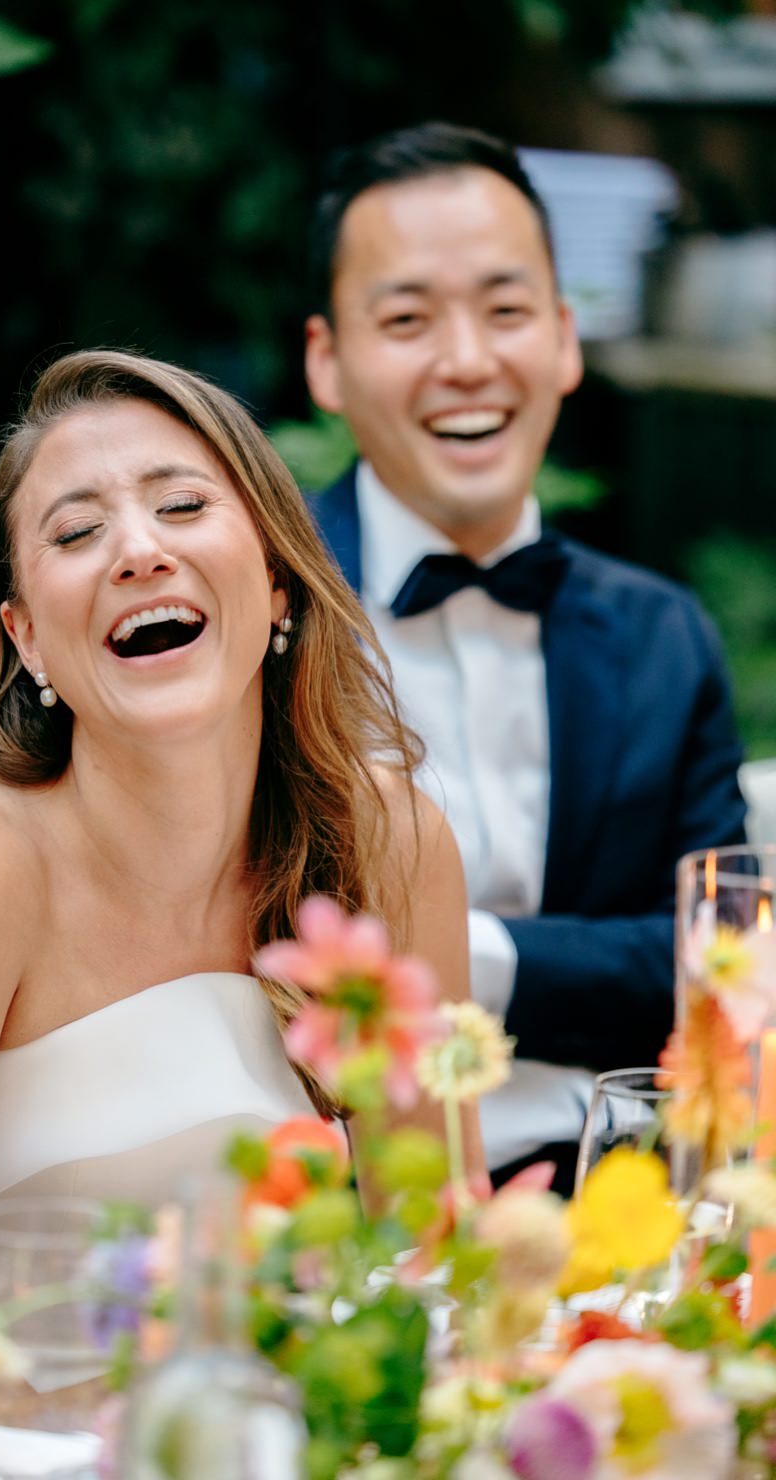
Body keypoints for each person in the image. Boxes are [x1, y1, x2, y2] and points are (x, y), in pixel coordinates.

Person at [0, 349, 479, 1262]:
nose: (138, 552)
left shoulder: (391, 844)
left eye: (184, 506)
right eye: (77, 533)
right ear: (27, 636)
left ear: (277, 577)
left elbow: (435, 1251)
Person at [301, 122, 748, 1191]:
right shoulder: (251, 616)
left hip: (622, 1198)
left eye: (504, 312)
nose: (466, 361)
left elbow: (712, 966)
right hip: (336, 1212)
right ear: (326, 359)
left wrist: (463, 952)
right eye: (406, 319)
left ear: (561, 337)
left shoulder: (658, 636)